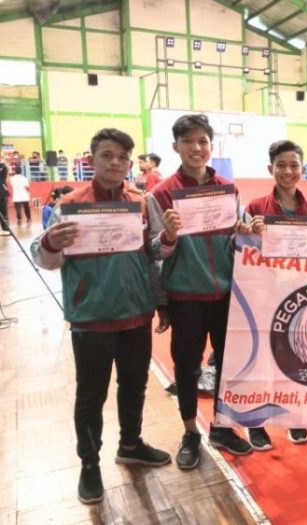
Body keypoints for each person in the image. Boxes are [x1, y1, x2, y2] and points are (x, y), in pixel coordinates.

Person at [30, 128, 171, 505]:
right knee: (90, 395)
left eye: (123, 157)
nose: (115, 163)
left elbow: (153, 252)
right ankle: (89, 464)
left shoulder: (140, 202)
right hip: (91, 317)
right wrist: (49, 243)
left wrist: (169, 240)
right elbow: (46, 259)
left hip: (136, 314)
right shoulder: (70, 205)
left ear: (129, 162)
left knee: (134, 385)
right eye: (107, 155)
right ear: (92, 159)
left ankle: (131, 443)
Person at [147, 114, 254, 470]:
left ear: (211, 146)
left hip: (225, 295)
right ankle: (191, 431)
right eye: (189, 141)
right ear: (176, 146)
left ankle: (223, 427)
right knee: (187, 368)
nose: (197, 148)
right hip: (186, 296)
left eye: (203, 141)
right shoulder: (161, 194)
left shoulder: (227, 188)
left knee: (228, 365)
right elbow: (154, 252)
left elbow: (235, 240)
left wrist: (243, 232)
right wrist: (169, 238)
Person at [245, 139, 307, 450]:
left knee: (295, 357)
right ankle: (255, 423)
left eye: (294, 165)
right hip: (265, 295)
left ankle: (294, 415)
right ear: (271, 168)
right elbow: (243, 254)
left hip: (299, 296)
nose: (287, 171)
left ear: (302, 169)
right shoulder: (255, 208)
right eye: (281, 165)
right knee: (262, 360)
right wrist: (250, 235)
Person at [0, 159, 10, 235]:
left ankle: (5, 228)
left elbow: (6, 170)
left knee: (4, 212)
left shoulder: (3, 166)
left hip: (2, 192)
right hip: (2, 192)